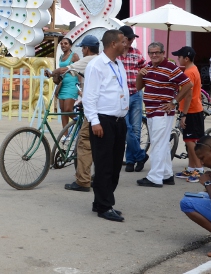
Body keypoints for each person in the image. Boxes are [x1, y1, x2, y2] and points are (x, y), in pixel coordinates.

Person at [82, 29, 129, 222]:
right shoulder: (96, 66)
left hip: (119, 121)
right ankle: (104, 205)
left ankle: (101, 201)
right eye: (123, 42)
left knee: (116, 164)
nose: (126, 45)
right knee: (104, 165)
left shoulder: (118, 65)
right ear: (113, 44)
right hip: (103, 121)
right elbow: (89, 97)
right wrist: (94, 121)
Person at [136, 41, 191, 188]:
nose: (154, 55)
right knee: (163, 144)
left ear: (163, 53)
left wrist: (174, 101)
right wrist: (140, 75)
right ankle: (166, 175)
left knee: (157, 144)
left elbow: (187, 84)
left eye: (157, 53)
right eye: (151, 53)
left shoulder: (171, 68)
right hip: (151, 111)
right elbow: (139, 87)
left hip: (162, 111)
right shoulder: (147, 66)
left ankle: (155, 177)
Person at [63, 34, 100, 193]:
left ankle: (83, 180)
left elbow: (67, 69)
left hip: (93, 109)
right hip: (94, 104)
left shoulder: (87, 59)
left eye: (83, 48)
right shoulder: (105, 61)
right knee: (98, 145)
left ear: (87, 48)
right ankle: (95, 177)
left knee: (84, 144)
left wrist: (52, 73)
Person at [172, 46, 206, 183]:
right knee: (189, 141)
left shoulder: (189, 73)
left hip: (191, 110)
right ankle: (192, 168)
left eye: (179, 57)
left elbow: (189, 93)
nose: (177, 58)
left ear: (186, 58)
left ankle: (199, 169)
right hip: (194, 109)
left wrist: (184, 114)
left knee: (191, 142)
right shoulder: (192, 69)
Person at [119, 25, 149, 173]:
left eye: (132, 38)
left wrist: (143, 72)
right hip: (120, 97)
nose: (131, 41)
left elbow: (146, 68)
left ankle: (130, 161)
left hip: (136, 94)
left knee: (136, 129)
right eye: (129, 38)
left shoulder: (136, 53)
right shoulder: (114, 55)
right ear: (121, 38)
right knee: (126, 128)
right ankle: (140, 155)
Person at [43, 35, 80, 130]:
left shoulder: (74, 56)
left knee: (68, 109)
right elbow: (59, 71)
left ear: (70, 46)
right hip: (62, 85)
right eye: (62, 44)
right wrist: (51, 74)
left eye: (66, 43)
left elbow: (79, 70)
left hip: (72, 84)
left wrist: (80, 85)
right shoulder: (60, 57)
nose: (63, 45)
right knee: (63, 111)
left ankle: (81, 121)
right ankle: (65, 135)